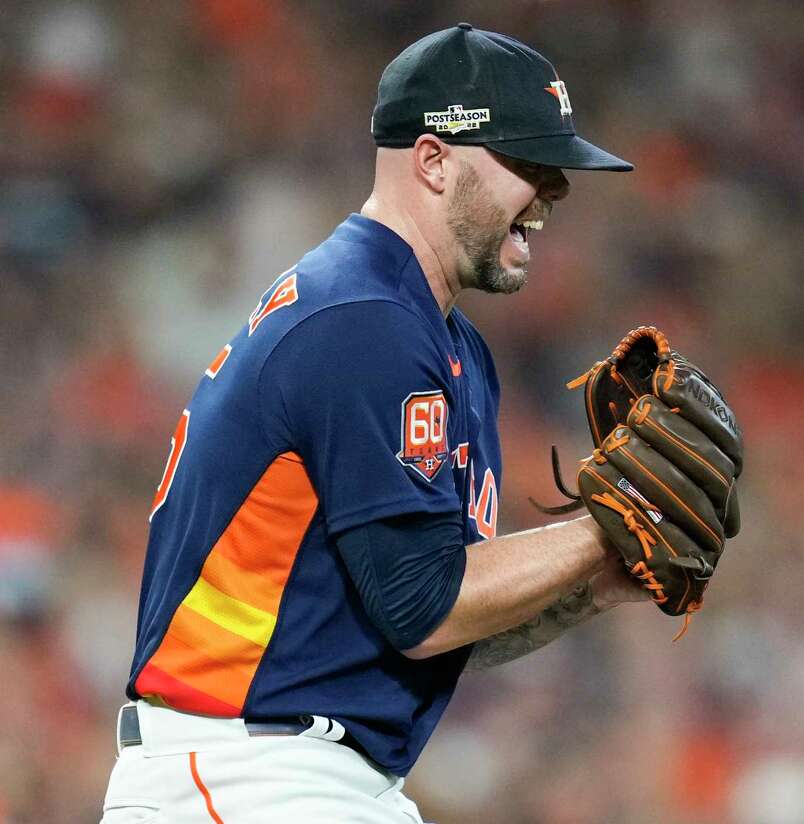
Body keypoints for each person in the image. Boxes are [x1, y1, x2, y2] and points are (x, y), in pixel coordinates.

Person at [100, 23, 644, 823]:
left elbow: (433, 622)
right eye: (526, 163)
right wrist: (606, 528)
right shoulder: (366, 319)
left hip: (300, 777)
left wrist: (593, 584)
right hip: (245, 771)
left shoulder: (437, 339)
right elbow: (422, 607)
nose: (553, 192)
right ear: (431, 161)